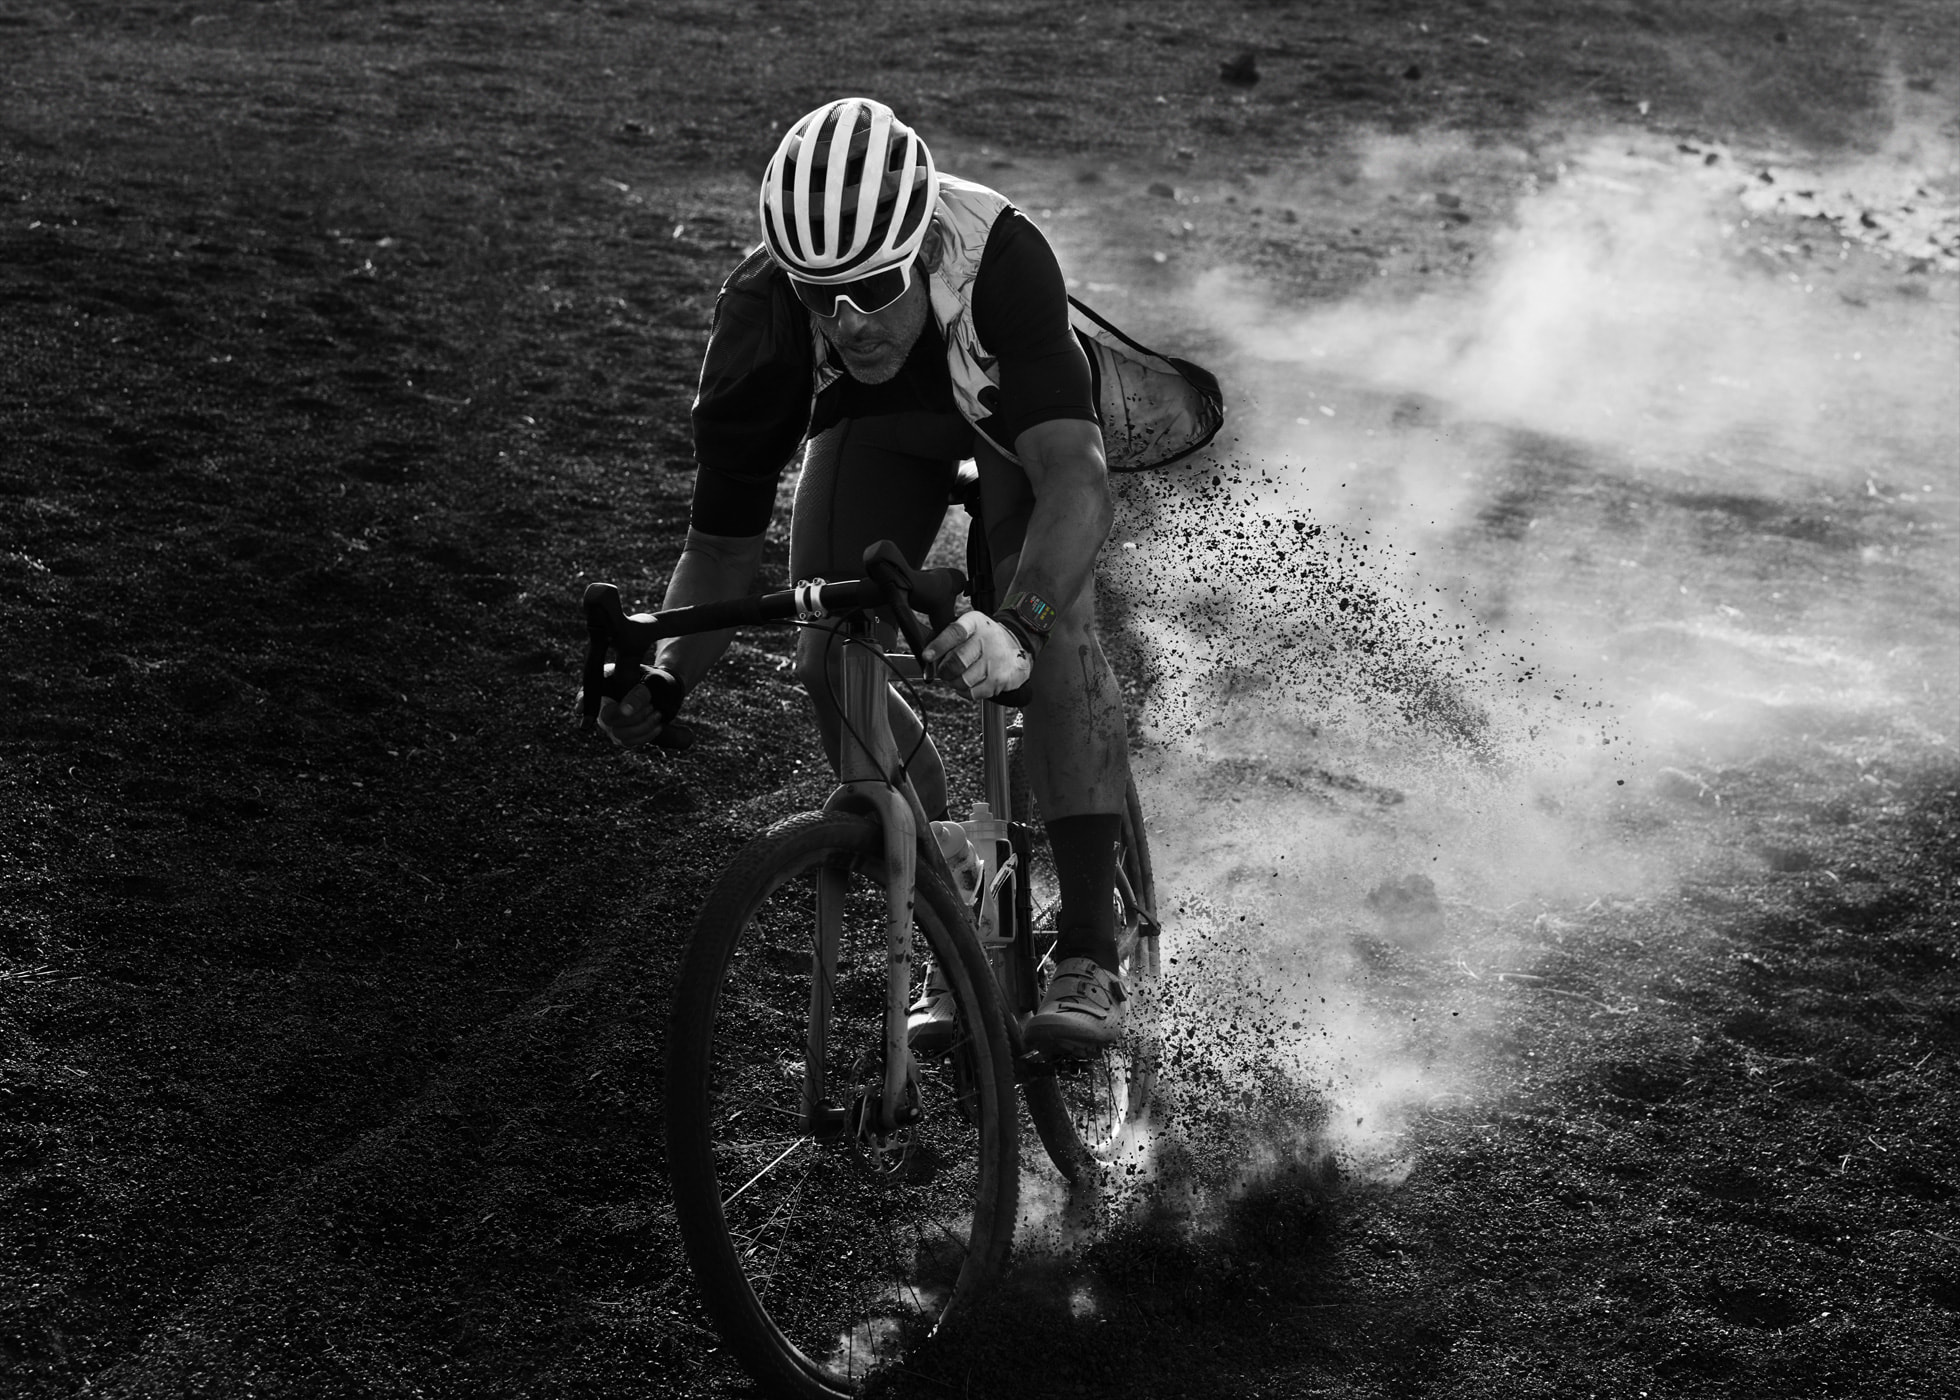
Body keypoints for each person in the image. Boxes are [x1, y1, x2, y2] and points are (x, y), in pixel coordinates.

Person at [597, 97, 1130, 1055]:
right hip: (880, 431)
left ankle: (1094, 941)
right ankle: (954, 896)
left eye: (876, 286)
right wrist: (667, 675)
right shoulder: (764, 315)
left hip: (1008, 425)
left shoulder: (999, 256)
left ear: (922, 247)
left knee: (1051, 634)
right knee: (825, 655)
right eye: (820, 295)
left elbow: (1076, 483)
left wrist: (1024, 625)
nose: (849, 323)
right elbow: (719, 552)